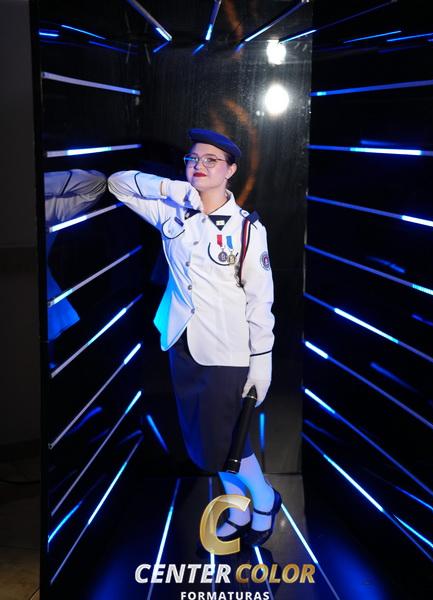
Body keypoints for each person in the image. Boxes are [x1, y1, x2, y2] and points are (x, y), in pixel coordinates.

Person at [107, 128, 282, 546]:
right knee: (204, 439)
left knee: (225, 439)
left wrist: (262, 362)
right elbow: (117, 183)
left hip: (228, 350)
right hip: (182, 341)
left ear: (230, 171)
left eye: (211, 160)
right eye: (193, 159)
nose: (199, 165)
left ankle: (263, 498)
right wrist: (172, 188)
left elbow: (261, 301)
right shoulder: (172, 210)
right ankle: (238, 507)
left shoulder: (248, 229)